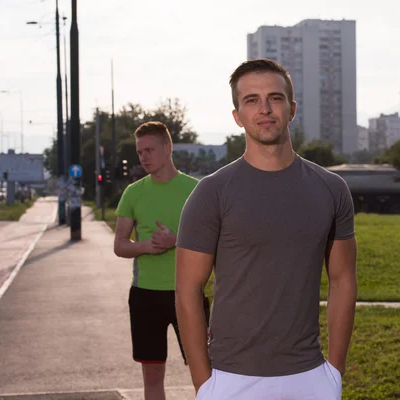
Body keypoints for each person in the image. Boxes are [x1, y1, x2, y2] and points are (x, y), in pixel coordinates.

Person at [175, 59, 358, 400]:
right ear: (237, 116)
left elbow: (343, 279)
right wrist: (204, 383)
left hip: (310, 377)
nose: (264, 109)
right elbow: (188, 289)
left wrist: (334, 371)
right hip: (230, 378)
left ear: (291, 108)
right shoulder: (212, 192)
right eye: (251, 100)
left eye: (275, 98)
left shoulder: (331, 189)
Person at [113, 121, 210, 400]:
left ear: (167, 149)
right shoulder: (134, 192)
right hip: (145, 297)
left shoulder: (197, 189)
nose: (143, 157)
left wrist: (175, 241)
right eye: (140, 152)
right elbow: (120, 245)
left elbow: (214, 243)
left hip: (188, 294)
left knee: (205, 374)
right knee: (153, 377)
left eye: (149, 150)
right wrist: (145, 246)